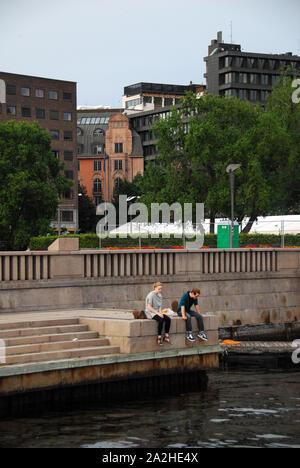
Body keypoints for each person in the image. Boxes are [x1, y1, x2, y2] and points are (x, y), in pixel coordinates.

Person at [145, 282, 171, 347]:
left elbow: (159, 306)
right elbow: (149, 307)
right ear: (155, 288)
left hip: (157, 311)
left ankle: (166, 335)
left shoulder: (160, 295)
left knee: (168, 319)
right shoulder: (151, 295)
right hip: (150, 312)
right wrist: (157, 314)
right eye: (159, 289)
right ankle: (159, 336)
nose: (160, 290)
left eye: (161, 289)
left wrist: (160, 313)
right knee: (161, 320)